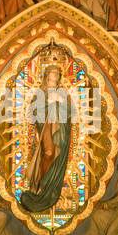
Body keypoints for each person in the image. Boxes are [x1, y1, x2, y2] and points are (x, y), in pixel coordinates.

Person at [18, 64, 73, 213]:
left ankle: (51, 185)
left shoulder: (63, 93)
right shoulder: (40, 92)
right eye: (52, 72)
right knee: (48, 152)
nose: (54, 75)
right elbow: (33, 111)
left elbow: (70, 112)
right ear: (47, 75)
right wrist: (48, 104)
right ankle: (42, 183)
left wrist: (60, 103)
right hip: (46, 124)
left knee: (56, 153)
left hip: (60, 129)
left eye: (57, 72)